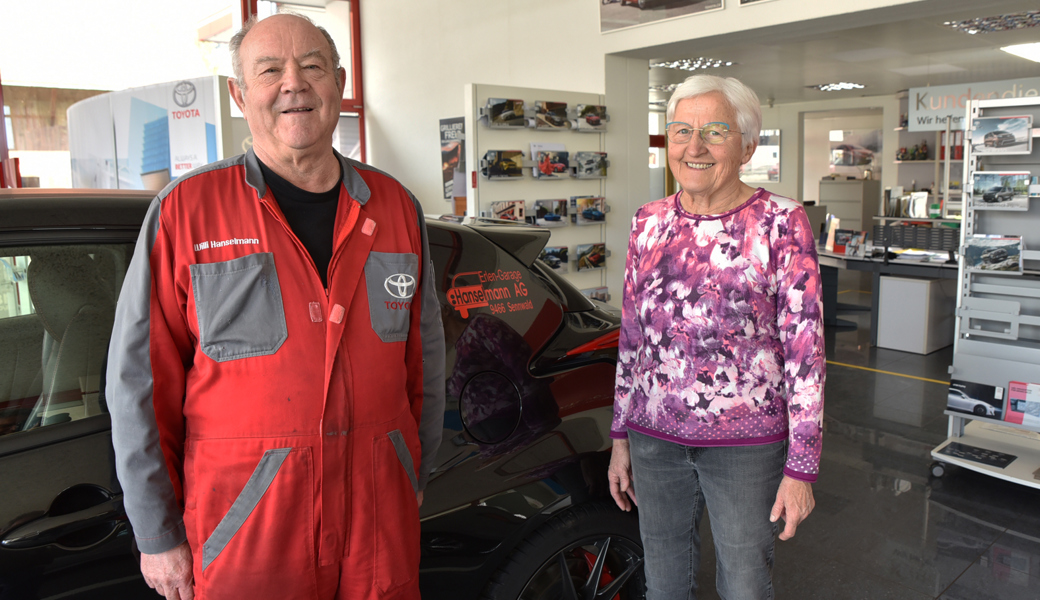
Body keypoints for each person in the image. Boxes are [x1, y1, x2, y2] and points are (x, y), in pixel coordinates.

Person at [106, 12, 445, 600]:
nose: (294, 84)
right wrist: (157, 533)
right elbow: (139, 383)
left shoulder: (394, 207)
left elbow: (424, 362)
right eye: (270, 71)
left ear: (338, 84)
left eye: (312, 66)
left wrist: (413, 470)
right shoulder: (186, 212)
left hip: (377, 518)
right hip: (248, 526)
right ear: (240, 94)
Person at [607, 74, 824, 599]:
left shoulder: (781, 221)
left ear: (747, 145)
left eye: (715, 132)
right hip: (653, 439)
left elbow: (805, 350)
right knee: (663, 581)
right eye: (681, 131)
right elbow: (632, 336)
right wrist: (620, 436)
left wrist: (802, 466)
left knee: (745, 584)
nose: (694, 147)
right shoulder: (648, 222)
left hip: (745, 447)